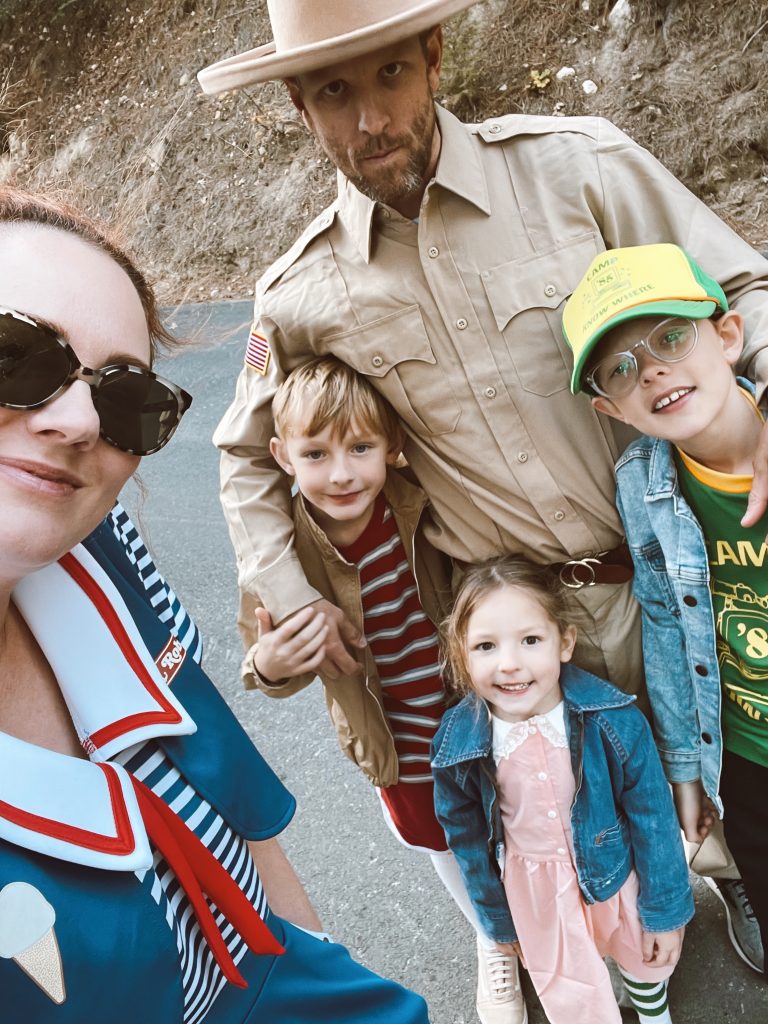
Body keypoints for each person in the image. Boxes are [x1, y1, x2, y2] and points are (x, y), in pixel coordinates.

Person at [197, 0, 767, 998]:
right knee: (576, 805)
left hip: (676, 562)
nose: (370, 120)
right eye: (334, 91)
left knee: (738, 743)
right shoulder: (304, 291)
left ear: (432, 55)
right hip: (518, 612)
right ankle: (598, 941)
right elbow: (245, 454)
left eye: (388, 77)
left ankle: (743, 876)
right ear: (299, 104)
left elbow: (742, 286)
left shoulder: (577, 167)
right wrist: (284, 589)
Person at [0, 187, 431, 1023]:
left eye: (127, 401)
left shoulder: (97, 545)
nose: (79, 420)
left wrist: (321, 971)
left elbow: (217, 766)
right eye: (17, 356)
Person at [242, 355, 524, 1015]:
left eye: (360, 448)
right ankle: (493, 939)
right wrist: (275, 665)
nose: (341, 474)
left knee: (513, 814)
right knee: (438, 837)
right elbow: (258, 662)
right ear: (283, 456)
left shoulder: (420, 502)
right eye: (316, 453)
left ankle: (536, 922)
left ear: (392, 447)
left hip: (473, 705)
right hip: (392, 733)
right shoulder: (278, 550)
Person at [562, 241, 768, 976]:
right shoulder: (643, 483)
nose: (651, 368)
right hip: (742, 760)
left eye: (671, 336)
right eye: (622, 366)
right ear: (608, 407)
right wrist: (686, 770)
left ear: (729, 335)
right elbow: (664, 624)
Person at [431, 556, 694, 1024]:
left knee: (644, 961)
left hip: (616, 875)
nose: (510, 664)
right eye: (486, 646)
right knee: (574, 994)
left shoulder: (614, 720)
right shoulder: (460, 745)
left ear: (564, 642)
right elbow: (467, 841)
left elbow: (653, 817)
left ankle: (654, 1015)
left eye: (531, 640)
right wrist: (497, 923)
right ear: (461, 656)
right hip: (537, 894)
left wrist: (665, 911)